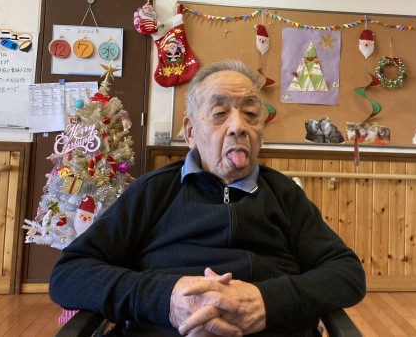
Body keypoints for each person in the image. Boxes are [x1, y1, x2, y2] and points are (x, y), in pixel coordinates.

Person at [49, 59, 366, 336]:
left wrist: (267, 302)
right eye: (219, 113)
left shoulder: (284, 194)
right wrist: (166, 298)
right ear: (190, 132)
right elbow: (69, 274)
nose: (238, 127)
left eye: (251, 114)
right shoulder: (154, 190)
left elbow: (346, 273)